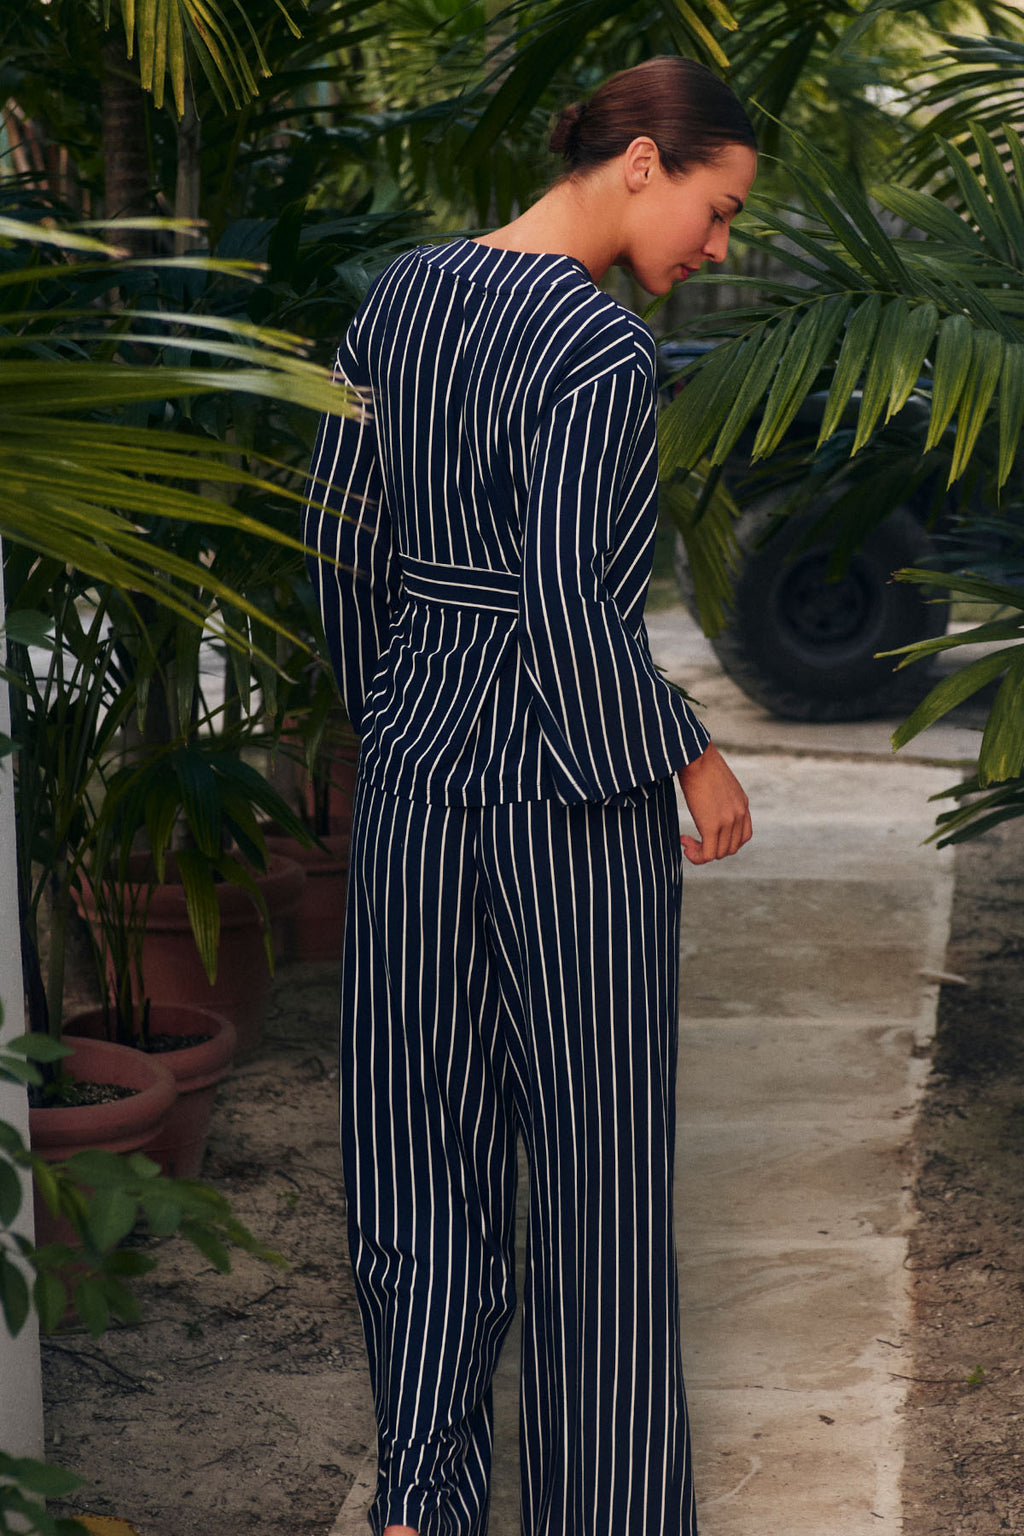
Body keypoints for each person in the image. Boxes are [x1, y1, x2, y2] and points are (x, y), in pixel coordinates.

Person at [304, 54, 756, 1536]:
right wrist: (682, 747)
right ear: (643, 163)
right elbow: (572, 609)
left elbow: (338, 542)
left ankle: (420, 1506)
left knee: (416, 1151)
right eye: (717, 206)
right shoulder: (598, 355)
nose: (718, 245)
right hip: (570, 807)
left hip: (424, 769)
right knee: (595, 1178)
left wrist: (398, 715)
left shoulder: (399, 302)